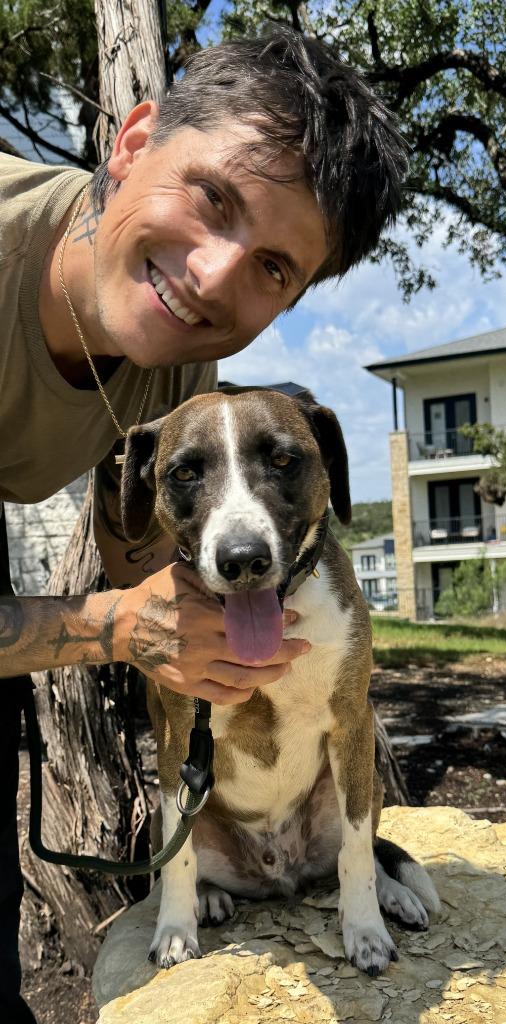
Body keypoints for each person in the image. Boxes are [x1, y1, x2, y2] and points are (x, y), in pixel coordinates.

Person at [0, 27, 407, 1022]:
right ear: (132, 141)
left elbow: (150, 565)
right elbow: (124, 618)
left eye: (273, 266)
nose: (218, 277)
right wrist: (108, 627)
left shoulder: (183, 363)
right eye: (214, 199)